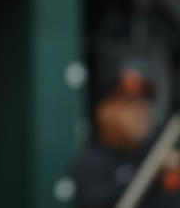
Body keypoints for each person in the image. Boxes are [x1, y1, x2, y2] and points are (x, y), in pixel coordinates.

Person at [71, 67, 180, 208]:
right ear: (105, 112)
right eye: (129, 104)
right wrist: (153, 171)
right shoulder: (91, 164)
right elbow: (100, 201)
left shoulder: (158, 150)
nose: (141, 113)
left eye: (144, 104)